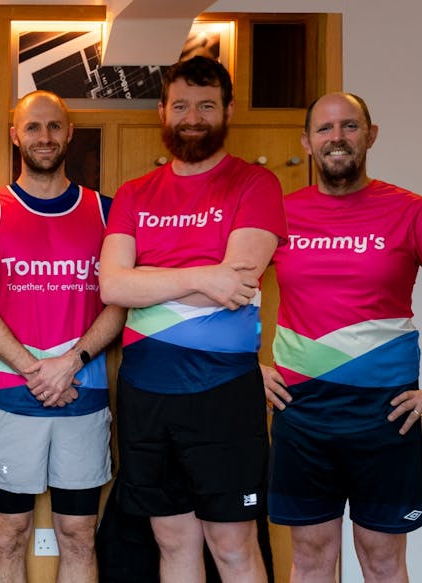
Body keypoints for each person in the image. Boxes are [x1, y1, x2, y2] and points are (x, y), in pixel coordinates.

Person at [261, 93, 422, 582]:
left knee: (383, 559)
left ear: (370, 136)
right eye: (325, 129)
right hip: (300, 412)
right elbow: (223, 292)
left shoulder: (409, 211)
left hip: (385, 413)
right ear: (307, 143)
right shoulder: (279, 215)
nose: (337, 138)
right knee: (309, 558)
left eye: (350, 126)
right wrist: (249, 368)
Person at [98, 56, 286, 583]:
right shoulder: (136, 194)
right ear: (163, 112)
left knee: (233, 545)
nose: (192, 116)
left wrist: (151, 279)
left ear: (227, 111)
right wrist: (204, 276)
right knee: (172, 540)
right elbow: (113, 285)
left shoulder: (255, 184)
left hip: (223, 393)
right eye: (180, 105)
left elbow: (238, 284)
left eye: (206, 105)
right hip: (146, 394)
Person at [0, 91, 125, 583]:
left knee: (78, 532)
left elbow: (119, 300)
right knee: (8, 532)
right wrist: (37, 370)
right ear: (15, 135)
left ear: (69, 133)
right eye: (33, 127)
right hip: (11, 395)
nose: (44, 137)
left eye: (54, 127)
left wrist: (69, 363)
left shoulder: (105, 211)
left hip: (84, 393)